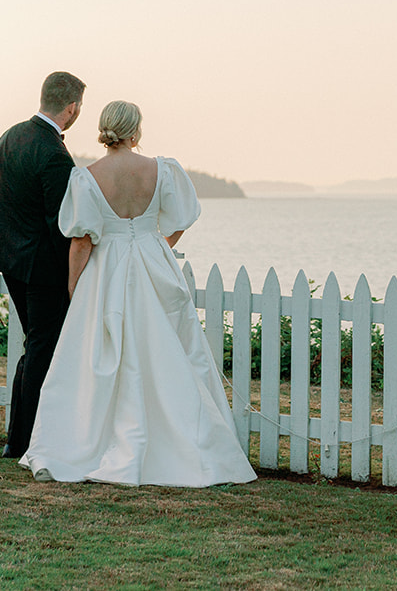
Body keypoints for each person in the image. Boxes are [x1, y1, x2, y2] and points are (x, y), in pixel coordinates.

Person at [20, 100, 256, 486]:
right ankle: (181, 446)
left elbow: (82, 239)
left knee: (97, 357)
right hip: (152, 261)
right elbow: (182, 219)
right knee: (166, 352)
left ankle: (79, 446)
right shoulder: (162, 170)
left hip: (107, 269)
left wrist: (75, 285)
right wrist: (156, 240)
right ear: (135, 130)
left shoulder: (87, 177)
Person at [0, 70, 85, 460]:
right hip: (44, 268)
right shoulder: (54, 154)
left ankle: (19, 438)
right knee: (42, 350)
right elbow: (61, 222)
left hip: (11, 258)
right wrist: (71, 272)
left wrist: (10, 240)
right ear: (72, 108)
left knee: (36, 347)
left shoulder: (9, 136)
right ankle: (25, 441)